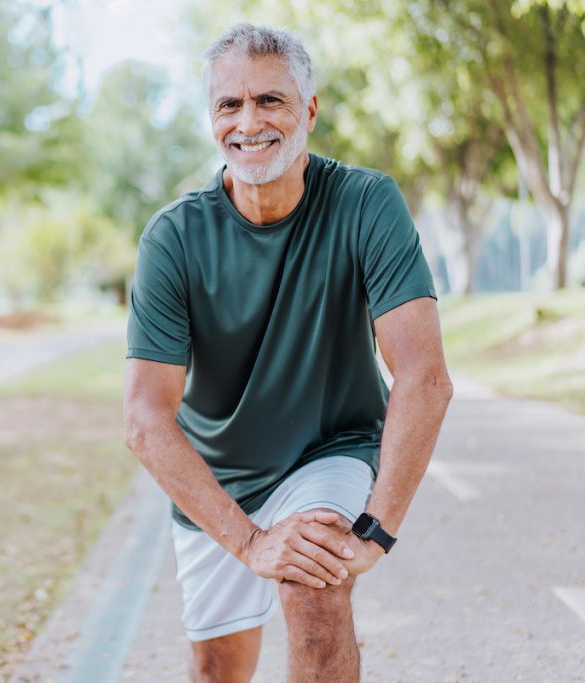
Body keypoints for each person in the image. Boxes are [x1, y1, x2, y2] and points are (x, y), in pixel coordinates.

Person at [122, 23, 453, 683]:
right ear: (212, 119)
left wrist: (375, 534)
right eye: (229, 105)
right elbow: (145, 418)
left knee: (315, 588)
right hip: (220, 479)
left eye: (270, 100)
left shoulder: (366, 203)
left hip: (328, 450)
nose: (250, 121)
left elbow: (423, 376)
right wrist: (248, 540)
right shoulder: (173, 239)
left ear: (309, 110)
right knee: (218, 668)